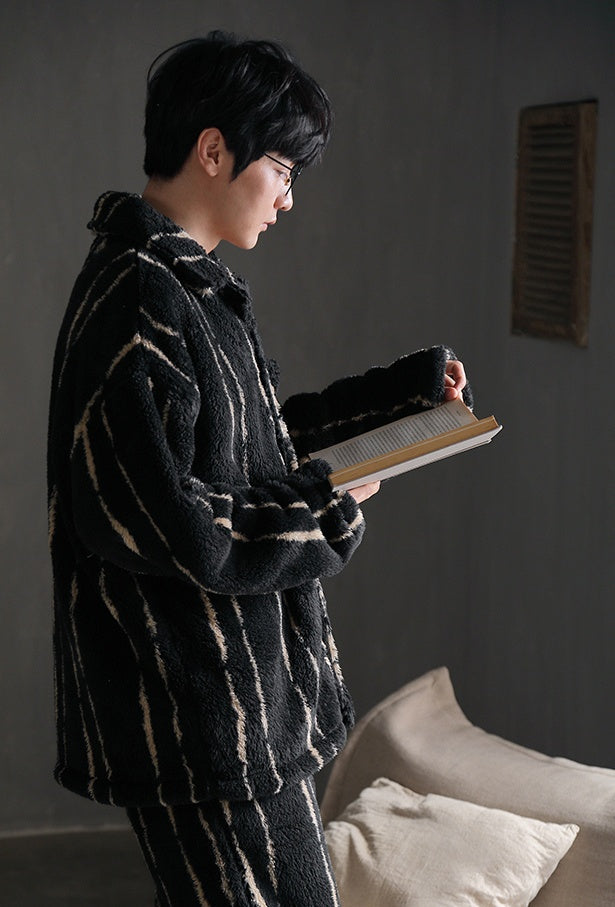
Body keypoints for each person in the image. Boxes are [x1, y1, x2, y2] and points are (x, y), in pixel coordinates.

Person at [47, 31, 469, 907]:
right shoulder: (140, 300)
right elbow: (170, 522)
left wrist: (408, 397)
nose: (287, 197)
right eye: (281, 168)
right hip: (202, 718)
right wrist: (328, 505)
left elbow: (256, 444)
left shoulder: (183, 286)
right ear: (213, 151)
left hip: (234, 713)